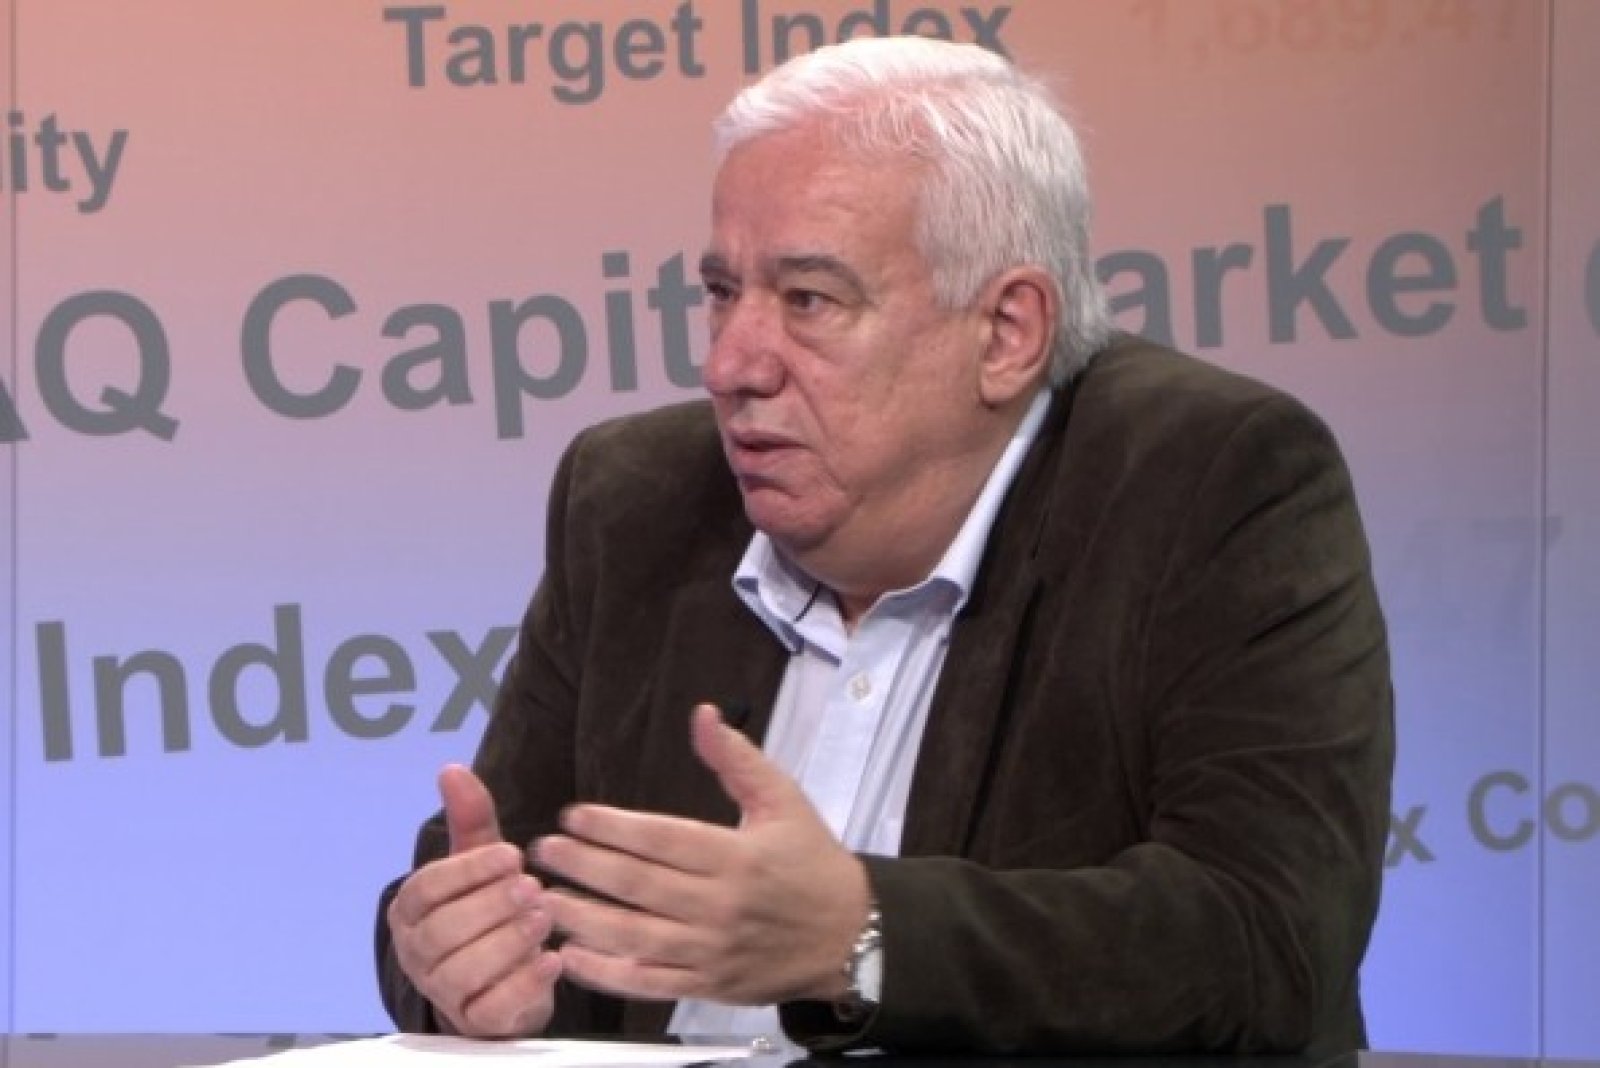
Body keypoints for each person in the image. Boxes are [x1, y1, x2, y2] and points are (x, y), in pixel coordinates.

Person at [375, 35, 1394, 1055]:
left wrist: (860, 939)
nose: (731, 365)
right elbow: (493, 889)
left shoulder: (1211, 484)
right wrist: (459, 962)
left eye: (809, 300)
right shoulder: (634, 500)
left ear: (1006, 332)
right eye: (722, 292)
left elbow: (1270, 940)